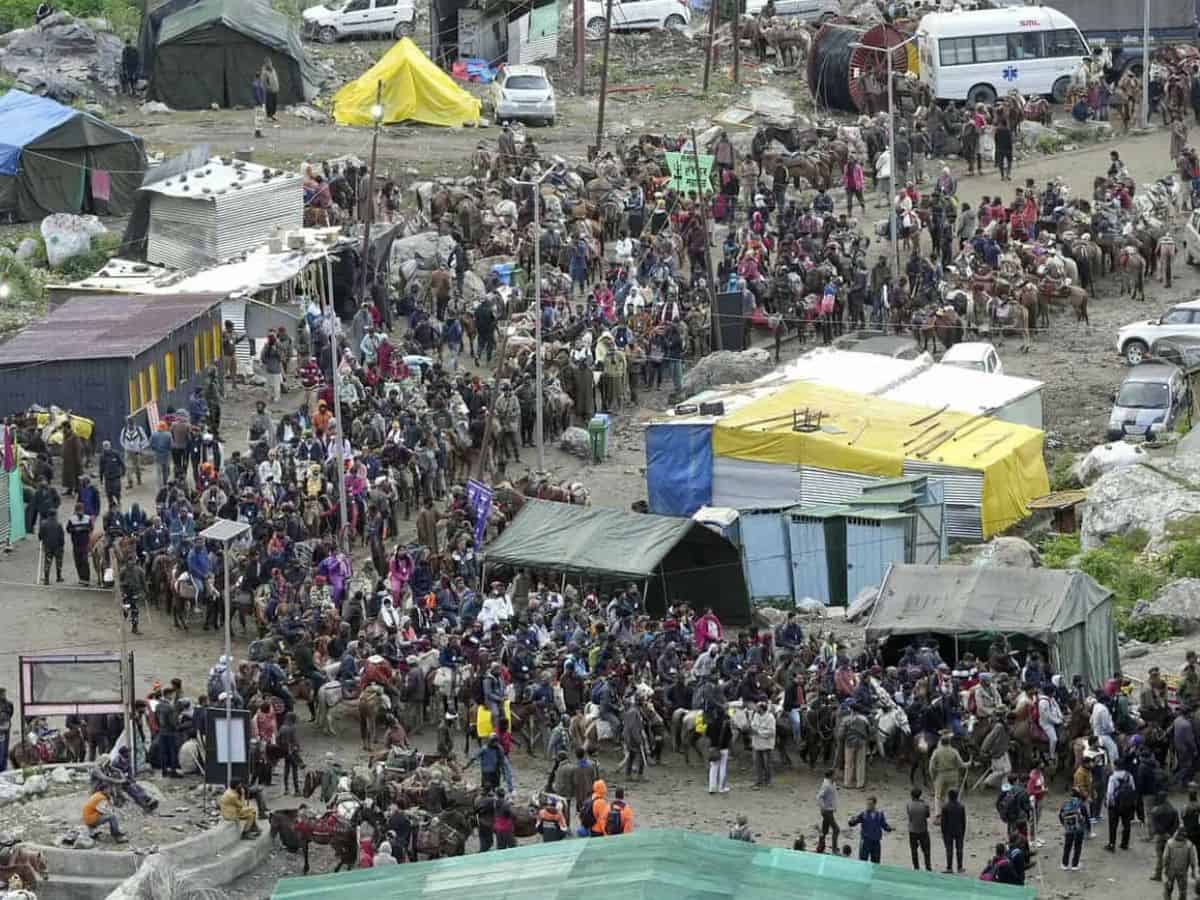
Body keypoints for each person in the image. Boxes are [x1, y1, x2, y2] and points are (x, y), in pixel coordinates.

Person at [849, 795, 893, 864]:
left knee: (876, 863)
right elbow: (854, 822)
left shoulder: (880, 814)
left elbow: (884, 825)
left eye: (870, 804)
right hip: (865, 842)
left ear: (874, 804)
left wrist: (888, 828)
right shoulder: (863, 814)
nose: (868, 806)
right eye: (867, 804)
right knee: (863, 862)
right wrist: (851, 822)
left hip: (876, 842)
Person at [1105, 759, 1138, 852]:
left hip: (1115, 805)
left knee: (1113, 826)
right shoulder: (1129, 776)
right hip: (1127, 804)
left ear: (1115, 766)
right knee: (1126, 824)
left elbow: (1110, 792)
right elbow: (1133, 788)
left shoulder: (1113, 777)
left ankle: (1112, 844)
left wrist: (1108, 803)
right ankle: (1125, 843)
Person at [1153, 792, 1182, 881]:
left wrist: (1162, 832)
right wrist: (1170, 833)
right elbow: (1176, 824)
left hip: (1160, 835)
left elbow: (1155, 825)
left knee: (1159, 856)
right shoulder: (1173, 810)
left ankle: (1158, 874)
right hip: (1170, 836)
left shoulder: (1156, 810)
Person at [1165, 825, 1199, 899]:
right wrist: (1194, 872)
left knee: (1168, 888)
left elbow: (1165, 857)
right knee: (1183, 891)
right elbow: (1193, 861)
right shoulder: (1189, 844)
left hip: (1171, 870)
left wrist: (1165, 869)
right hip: (1182, 871)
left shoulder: (1169, 843)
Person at [1059, 787, 1088, 871]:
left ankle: (1064, 864)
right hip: (1079, 828)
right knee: (1077, 846)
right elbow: (1086, 817)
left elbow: (1060, 815)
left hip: (1069, 828)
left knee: (1067, 846)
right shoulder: (1081, 804)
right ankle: (1075, 865)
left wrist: (1064, 825)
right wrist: (1086, 827)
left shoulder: (1065, 803)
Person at [940, 788, 966, 873]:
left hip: (948, 831)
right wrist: (963, 831)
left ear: (949, 796)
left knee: (949, 850)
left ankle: (949, 867)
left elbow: (943, 822)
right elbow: (963, 821)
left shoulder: (945, 807)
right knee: (959, 849)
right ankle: (960, 867)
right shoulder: (961, 807)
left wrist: (943, 833)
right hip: (959, 831)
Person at [750, 700, 775, 788]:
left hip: (767, 744)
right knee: (757, 764)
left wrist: (759, 732)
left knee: (767, 764)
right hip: (757, 744)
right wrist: (755, 730)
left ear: (762, 709)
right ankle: (758, 780)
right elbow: (753, 725)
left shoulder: (770, 717)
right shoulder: (756, 715)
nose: (756, 709)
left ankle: (768, 780)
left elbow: (771, 732)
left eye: (757, 707)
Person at [907, 787, 932, 871]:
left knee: (914, 850)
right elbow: (927, 815)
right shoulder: (925, 805)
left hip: (912, 830)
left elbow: (909, 816)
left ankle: (916, 867)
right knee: (926, 851)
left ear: (912, 796)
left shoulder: (909, 805)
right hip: (923, 830)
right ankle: (928, 867)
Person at [817, 770, 840, 853]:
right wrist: (823, 807)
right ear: (831, 776)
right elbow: (819, 797)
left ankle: (820, 846)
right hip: (827, 811)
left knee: (824, 830)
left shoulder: (832, 783)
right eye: (835, 775)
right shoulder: (826, 785)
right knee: (836, 829)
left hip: (830, 810)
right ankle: (834, 849)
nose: (836, 776)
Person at [38, 509, 64, 584]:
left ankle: (46, 579)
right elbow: (61, 536)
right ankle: (59, 577)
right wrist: (62, 545)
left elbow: (40, 535)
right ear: (55, 515)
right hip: (58, 546)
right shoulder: (59, 524)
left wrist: (41, 540)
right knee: (59, 562)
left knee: (47, 562)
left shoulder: (43, 523)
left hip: (47, 546)